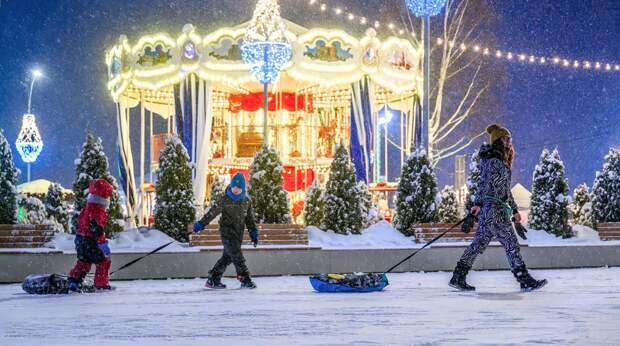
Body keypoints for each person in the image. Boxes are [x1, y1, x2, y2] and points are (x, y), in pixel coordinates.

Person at [449, 124, 547, 292]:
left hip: (495, 210)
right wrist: (477, 206)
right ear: (498, 140)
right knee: (510, 244)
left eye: (510, 139)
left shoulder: (500, 161)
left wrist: (515, 211)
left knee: (480, 245)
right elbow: (484, 184)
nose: (509, 142)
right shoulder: (493, 161)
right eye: (506, 139)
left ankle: (458, 276)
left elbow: (505, 190)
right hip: (493, 211)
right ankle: (524, 279)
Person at [193, 173, 259, 289]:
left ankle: (213, 279)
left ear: (243, 188)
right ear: (231, 186)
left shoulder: (247, 201)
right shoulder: (224, 199)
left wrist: (253, 233)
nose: (235, 190)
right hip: (226, 232)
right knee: (237, 256)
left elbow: (250, 220)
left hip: (238, 233)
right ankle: (245, 278)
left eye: (238, 188)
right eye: (234, 187)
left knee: (227, 257)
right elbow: (212, 213)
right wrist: (201, 224)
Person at [67, 179, 114, 292]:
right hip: (91, 241)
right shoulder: (98, 210)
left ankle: (74, 280)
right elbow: (97, 230)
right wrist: (103, 245)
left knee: (84, 262)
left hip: (80, 240)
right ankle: (101, 284)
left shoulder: (87, 207)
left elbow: (82, 223)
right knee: (103, 262)